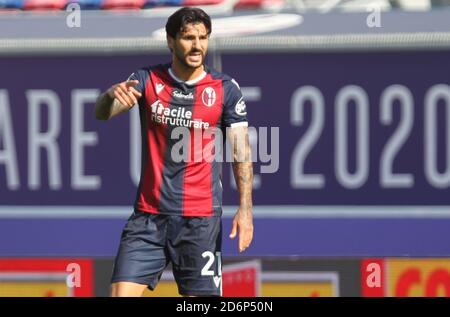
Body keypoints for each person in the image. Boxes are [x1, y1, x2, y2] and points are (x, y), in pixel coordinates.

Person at [94, 7, 253, 297]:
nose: (197, 45)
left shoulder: (225, 89)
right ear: (170, 41)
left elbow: (241, 152)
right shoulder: (146, 79)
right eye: (188, 37)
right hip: (148, 219)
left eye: (203, 37)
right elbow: (103, 113)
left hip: (200, 222)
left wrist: (245, 209)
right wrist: (109, 96)